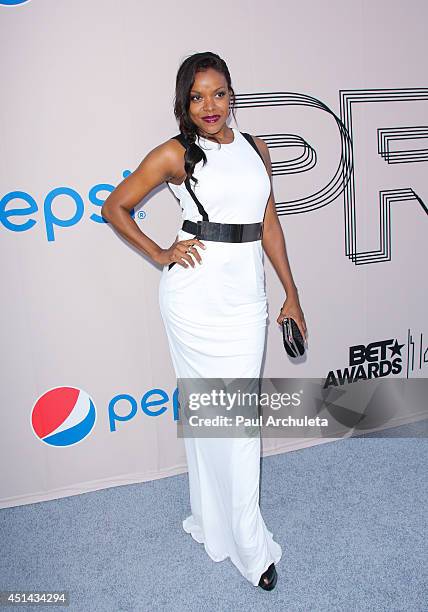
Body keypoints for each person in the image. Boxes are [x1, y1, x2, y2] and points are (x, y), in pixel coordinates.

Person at [101, 51, 307, 591]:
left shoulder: (256, 148)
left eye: (218, 93)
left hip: (245, 299)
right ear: (184, 103)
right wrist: (160, 253)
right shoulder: (176, 154)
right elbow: (115, 206)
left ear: (232, 94)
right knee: (219, 420)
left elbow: (270, 227)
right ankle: (247, 544)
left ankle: (219, 524)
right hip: (193, 301)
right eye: (197, 97)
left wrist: (292, 294)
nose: (209, 106)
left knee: (233, 421)